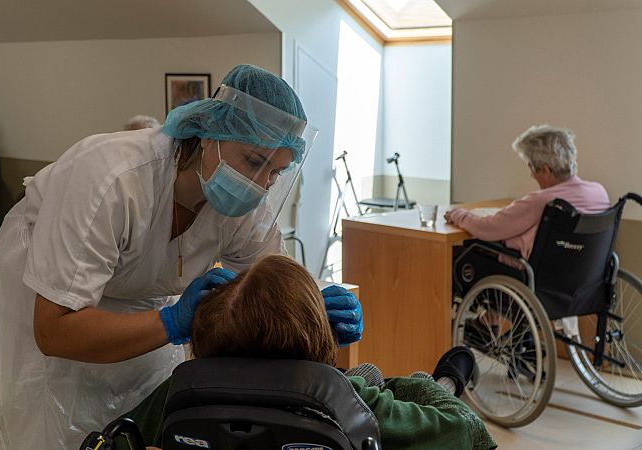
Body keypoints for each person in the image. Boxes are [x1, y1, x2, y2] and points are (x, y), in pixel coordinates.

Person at [0, 64, 363, 449]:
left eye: (276, 172)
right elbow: (53, 331)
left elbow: (278, 279)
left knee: (144, 429)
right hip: (33, 324)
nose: (260, 184)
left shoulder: (245, 208)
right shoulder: (111, 179)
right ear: (210, 132)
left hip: (140, 322)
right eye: (254, 161)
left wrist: (316, 306)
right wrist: (171, 321)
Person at [121, 255, 496, 450]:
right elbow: (466, 432)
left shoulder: (180, 393)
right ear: (317, 339)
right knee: (375, 376)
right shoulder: (346, 402)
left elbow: (116, 439)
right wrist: (415, 387)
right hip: (356, 391)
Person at [445, 124, 610, 260]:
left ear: (545, 170)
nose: (531, 174)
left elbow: (489, 228)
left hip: (535, 278)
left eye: (531, 167)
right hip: (581, 278)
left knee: (458, 255)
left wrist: (458, 214)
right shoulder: (598, 192)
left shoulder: (544, 201)